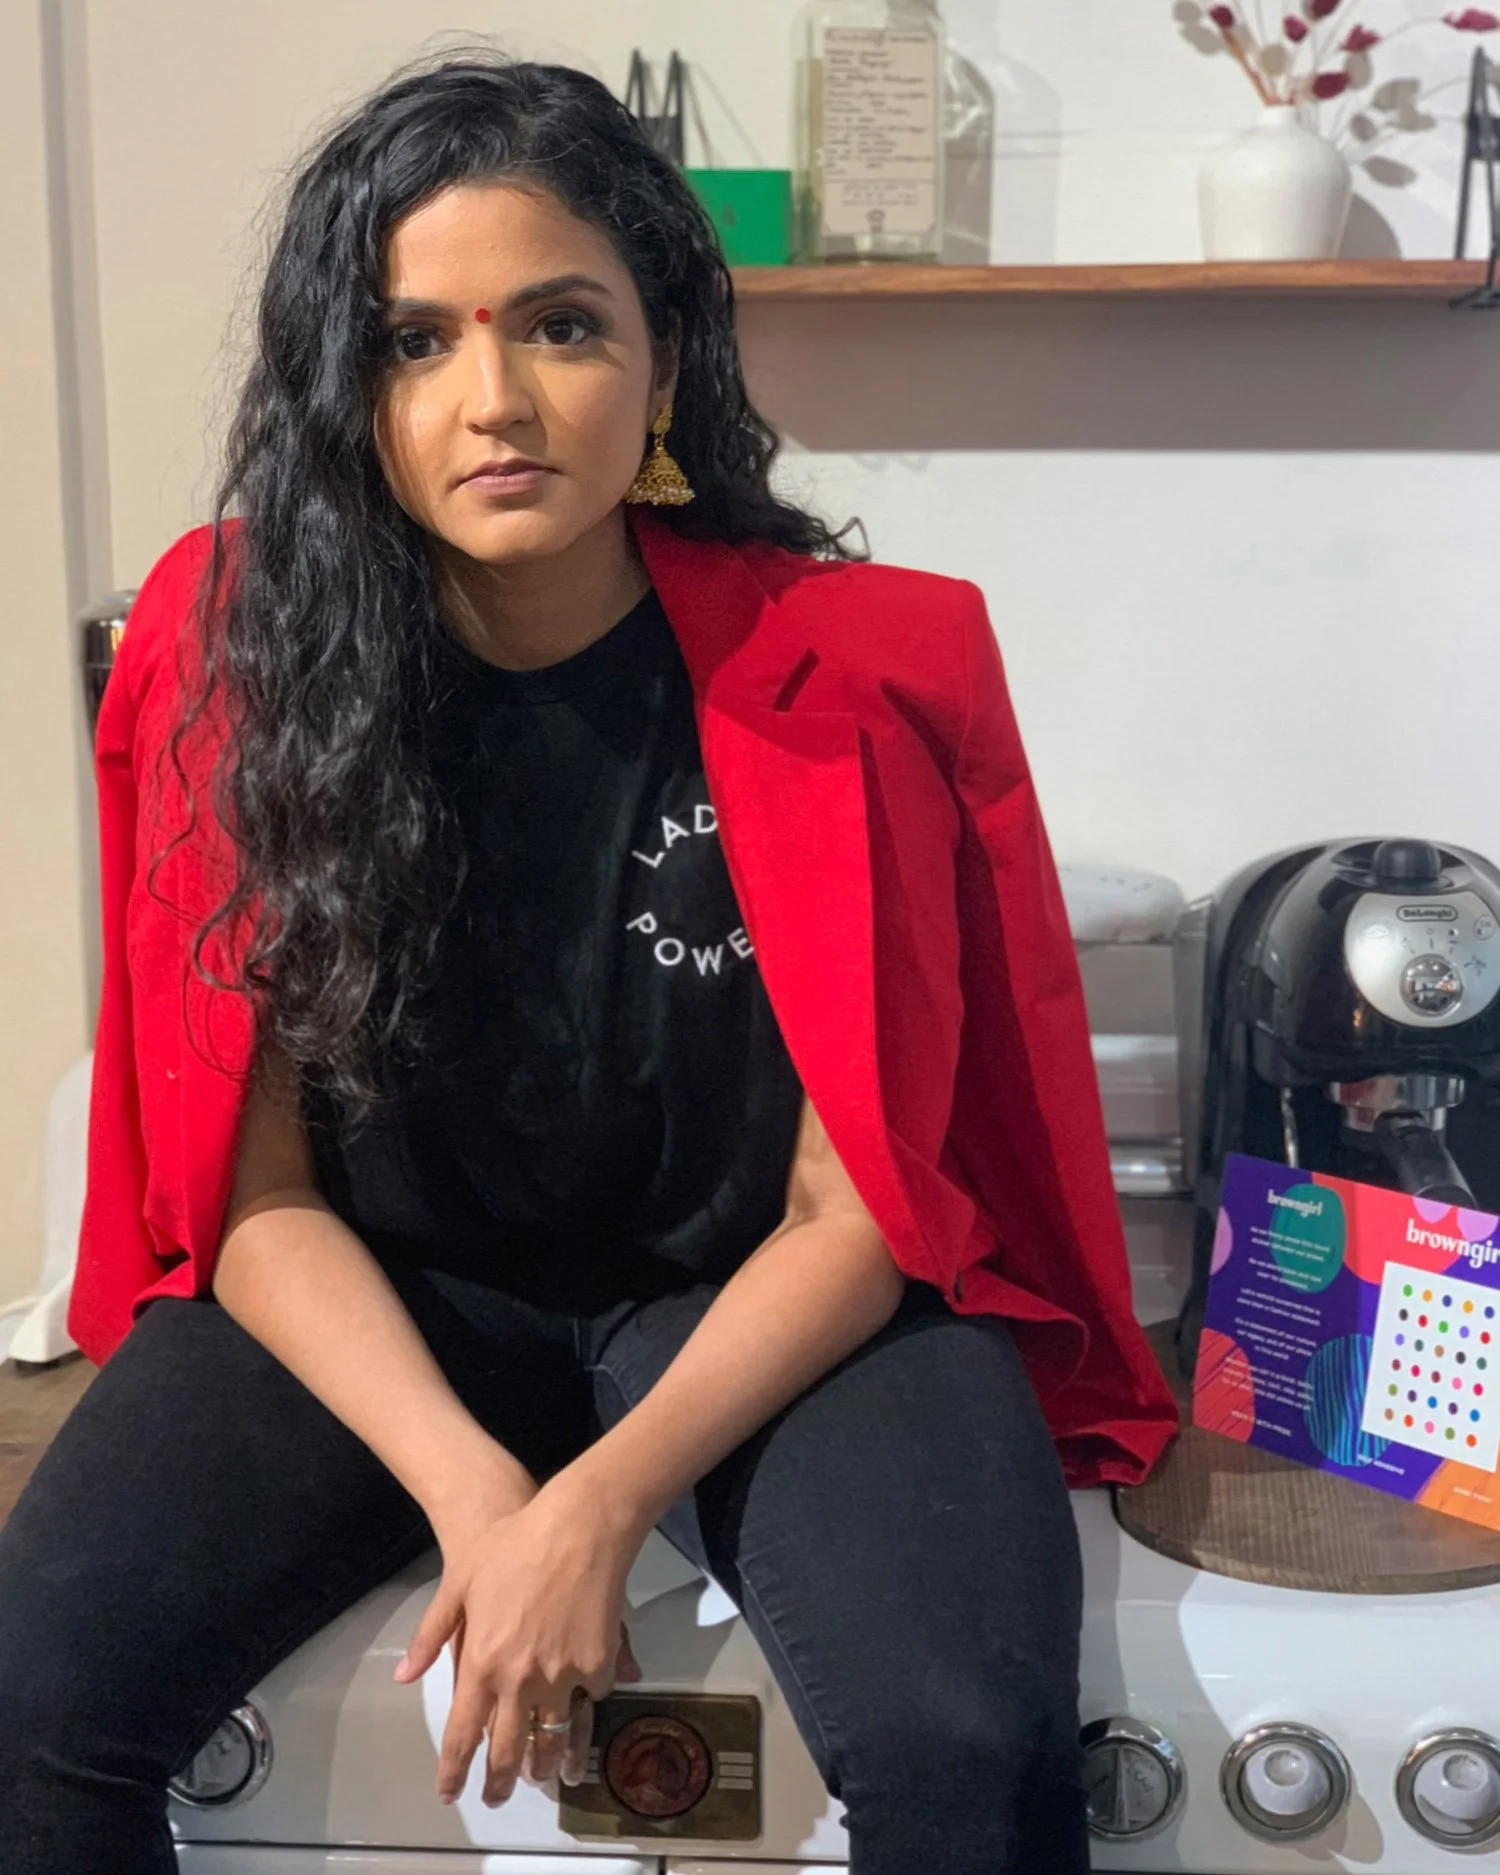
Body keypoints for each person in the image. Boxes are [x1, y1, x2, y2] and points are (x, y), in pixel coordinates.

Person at [0, 51, 1177, 1875]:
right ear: (346, 390)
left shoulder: (863, 671)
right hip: (391, 1295)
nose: (494, 401)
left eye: (561, 325)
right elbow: (257, 1192)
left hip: (757, 1293)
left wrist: (596, 1506)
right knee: (25, 1696)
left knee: (970, 1739)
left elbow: (858, 1203)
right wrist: (478, 1490)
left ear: (663, 361)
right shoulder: (230, 655)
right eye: (414, 342)